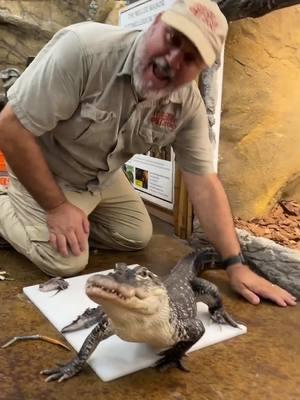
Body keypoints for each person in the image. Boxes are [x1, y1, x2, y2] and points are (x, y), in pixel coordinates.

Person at [0, 0, 296, 307]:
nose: (172, 60)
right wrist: (57, 207)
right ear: (155, 24)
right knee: (66, 262)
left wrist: (236, 264)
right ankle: (8, 206)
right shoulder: (83, 50)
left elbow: (204, 184)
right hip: (43, 168)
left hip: (98, 177)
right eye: (173, 39)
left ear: (201, 69)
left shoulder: (187, 105)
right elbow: (10, 128)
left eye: (190, 57)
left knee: (137, 234)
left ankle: (68, 218)